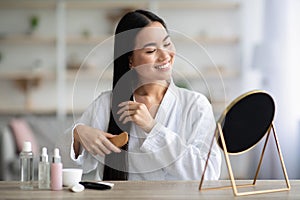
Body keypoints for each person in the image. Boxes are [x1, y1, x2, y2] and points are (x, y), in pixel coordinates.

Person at [67, 9, 221, 181]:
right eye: (150, 51)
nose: (165, 55)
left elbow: (208, 174)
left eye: (167, 44)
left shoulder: (196, 105)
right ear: (130, 60)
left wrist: (152, 129)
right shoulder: (106, 104)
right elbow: (66, 165)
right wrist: (78, 134)